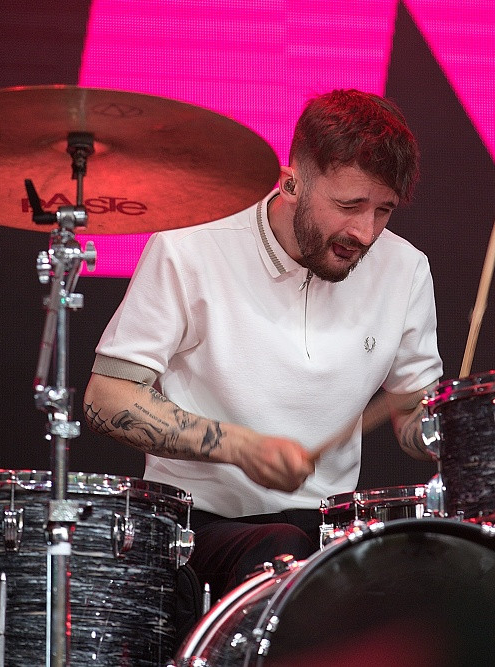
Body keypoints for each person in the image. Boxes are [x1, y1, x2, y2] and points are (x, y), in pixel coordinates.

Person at [81, 89, 442, 622]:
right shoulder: (190, 246)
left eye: (383, 211)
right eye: (349, 206)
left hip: (329, 531)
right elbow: (106, 397)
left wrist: (451, 430)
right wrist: (239, 446)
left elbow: (415, 412)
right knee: (280, 550)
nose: (365, 232)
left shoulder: (405, 269)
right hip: (196, 528)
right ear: (291, 182)